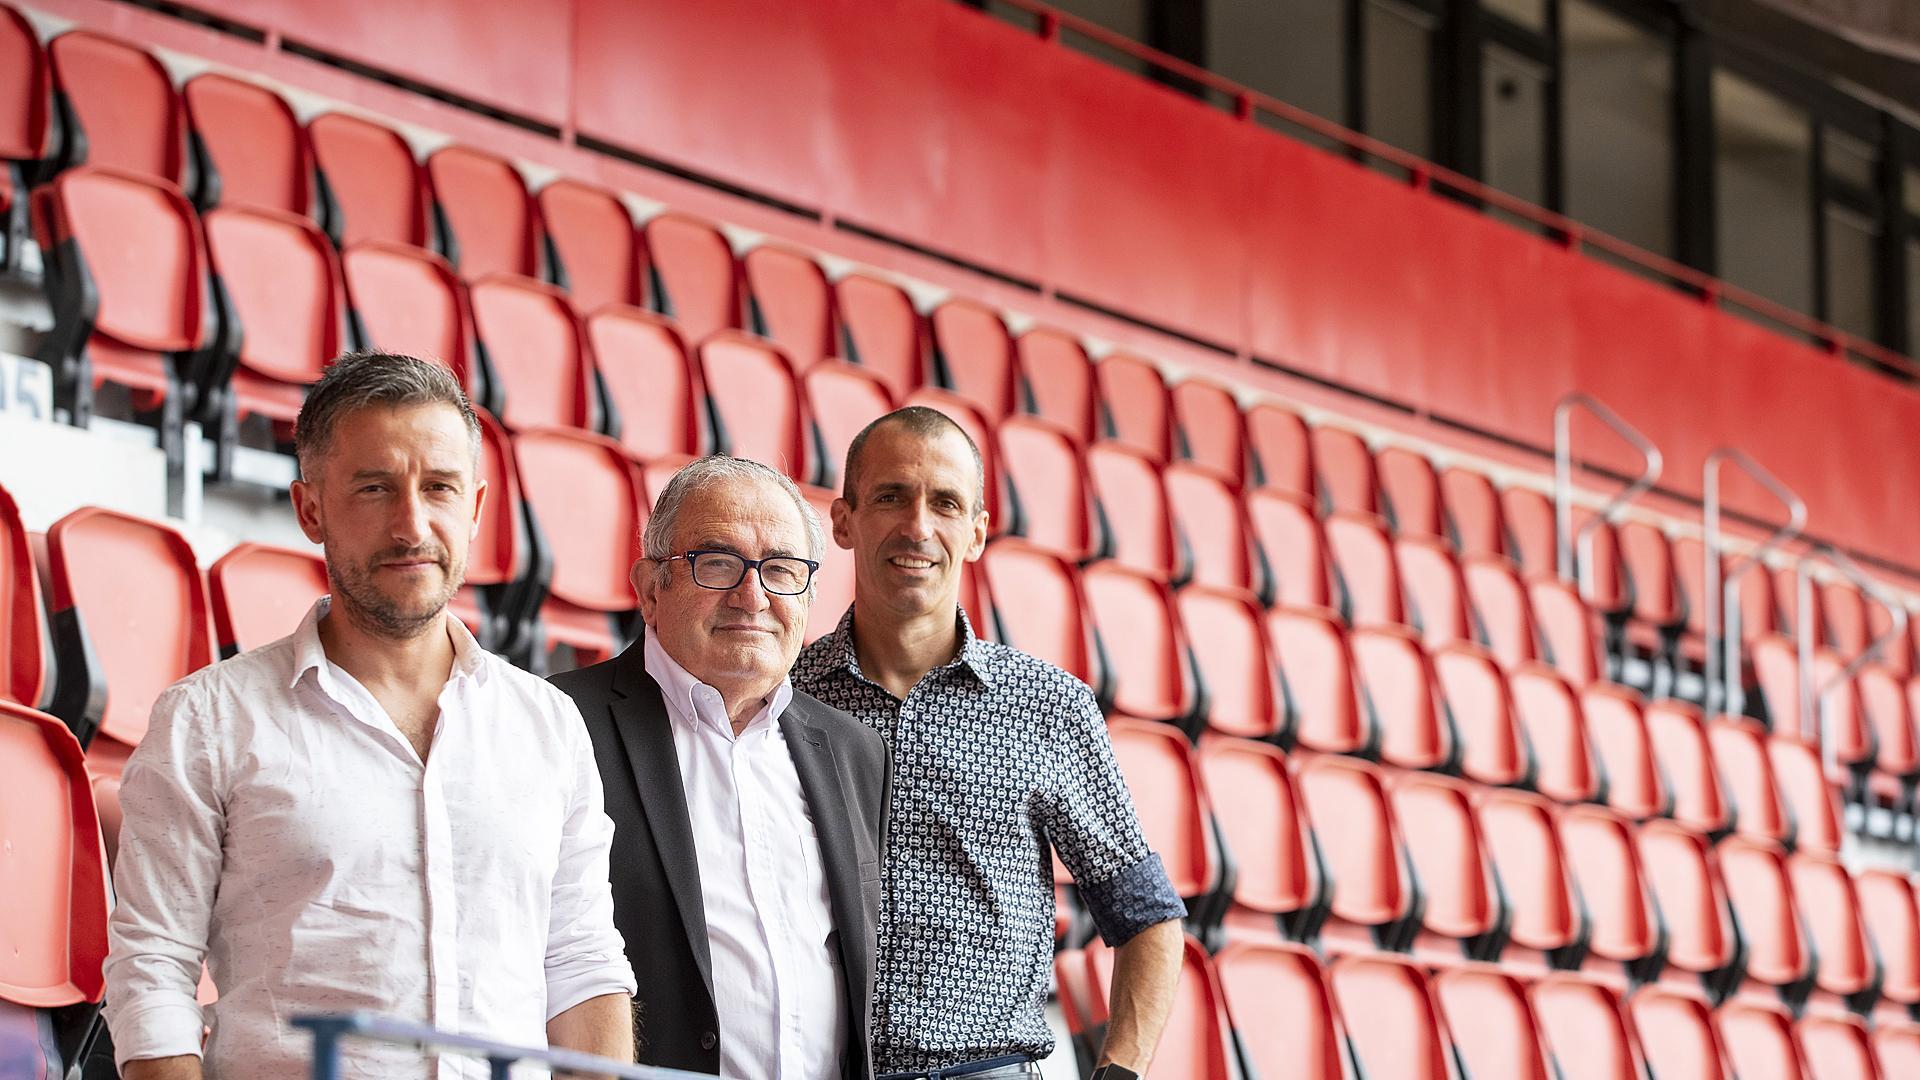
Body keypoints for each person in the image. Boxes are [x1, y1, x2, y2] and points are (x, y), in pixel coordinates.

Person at [101, 352, 637, 1079]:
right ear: (310, 509)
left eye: (439, 488)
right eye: (375, 488)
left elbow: (581, 961)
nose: (411, 524)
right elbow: (153, 975)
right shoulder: (207, 721)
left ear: (476, 508)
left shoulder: (548, 723)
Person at [793, 408, 1187, 1080]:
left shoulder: (1048, 707)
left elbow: (1146, 917)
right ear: (842, 521)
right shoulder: (785, 696)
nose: (917, 527)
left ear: (976, 533)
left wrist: (1119, 1072)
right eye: (890, 496)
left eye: (944, 503)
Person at [551, 454, 892, 1080]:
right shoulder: (559, 721)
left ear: (810, 595)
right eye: (718, 564)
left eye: (783, 571)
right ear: (652, 587)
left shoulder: (854, 751)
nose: (753, 596)